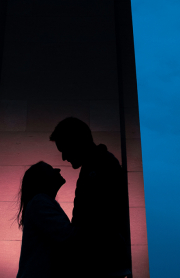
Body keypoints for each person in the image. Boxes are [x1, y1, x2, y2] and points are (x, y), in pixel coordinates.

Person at [50, 117, 131, 277]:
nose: (64, 158)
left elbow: (95, 220)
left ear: (78, 141)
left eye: (65, 149)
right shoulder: (97, 165)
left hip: (104, 263)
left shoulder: (101, 166)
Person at [16, 161, 73, 278]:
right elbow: (67, 236)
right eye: (50, 169)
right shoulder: (40, 202)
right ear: (41, 179)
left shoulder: (40, 203)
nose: (58, 170)